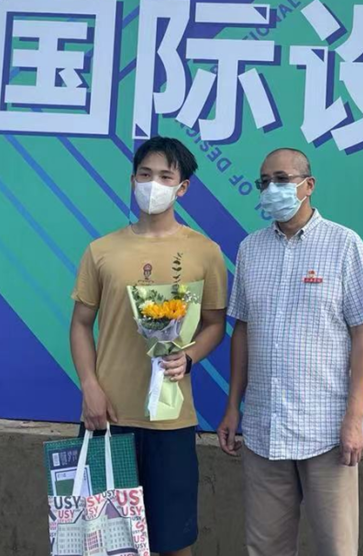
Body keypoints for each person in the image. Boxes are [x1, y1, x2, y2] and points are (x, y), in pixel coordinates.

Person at [69, 136, 228, 556]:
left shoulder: (205, 253)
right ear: (132, 180)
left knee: (174, 540)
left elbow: (215, 325)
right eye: (145, 174)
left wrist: (189, 357)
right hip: (108, 417)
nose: (152, 184)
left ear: (182, 187)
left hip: (170, 419)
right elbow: (81, 325)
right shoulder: (101, 250)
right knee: (106, 542)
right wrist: (90, 387)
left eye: (165, 176)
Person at [218, 148, 363, 556]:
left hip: (325, 431)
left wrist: (355, 418)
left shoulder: (344, 244)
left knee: (337, 548)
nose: (272, 188)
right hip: (263, 428)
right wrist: (233, 407)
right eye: (264, 181)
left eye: (282, 179)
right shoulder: (250, 249)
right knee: (264, 548)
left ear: (309, 185)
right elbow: (242, 330)